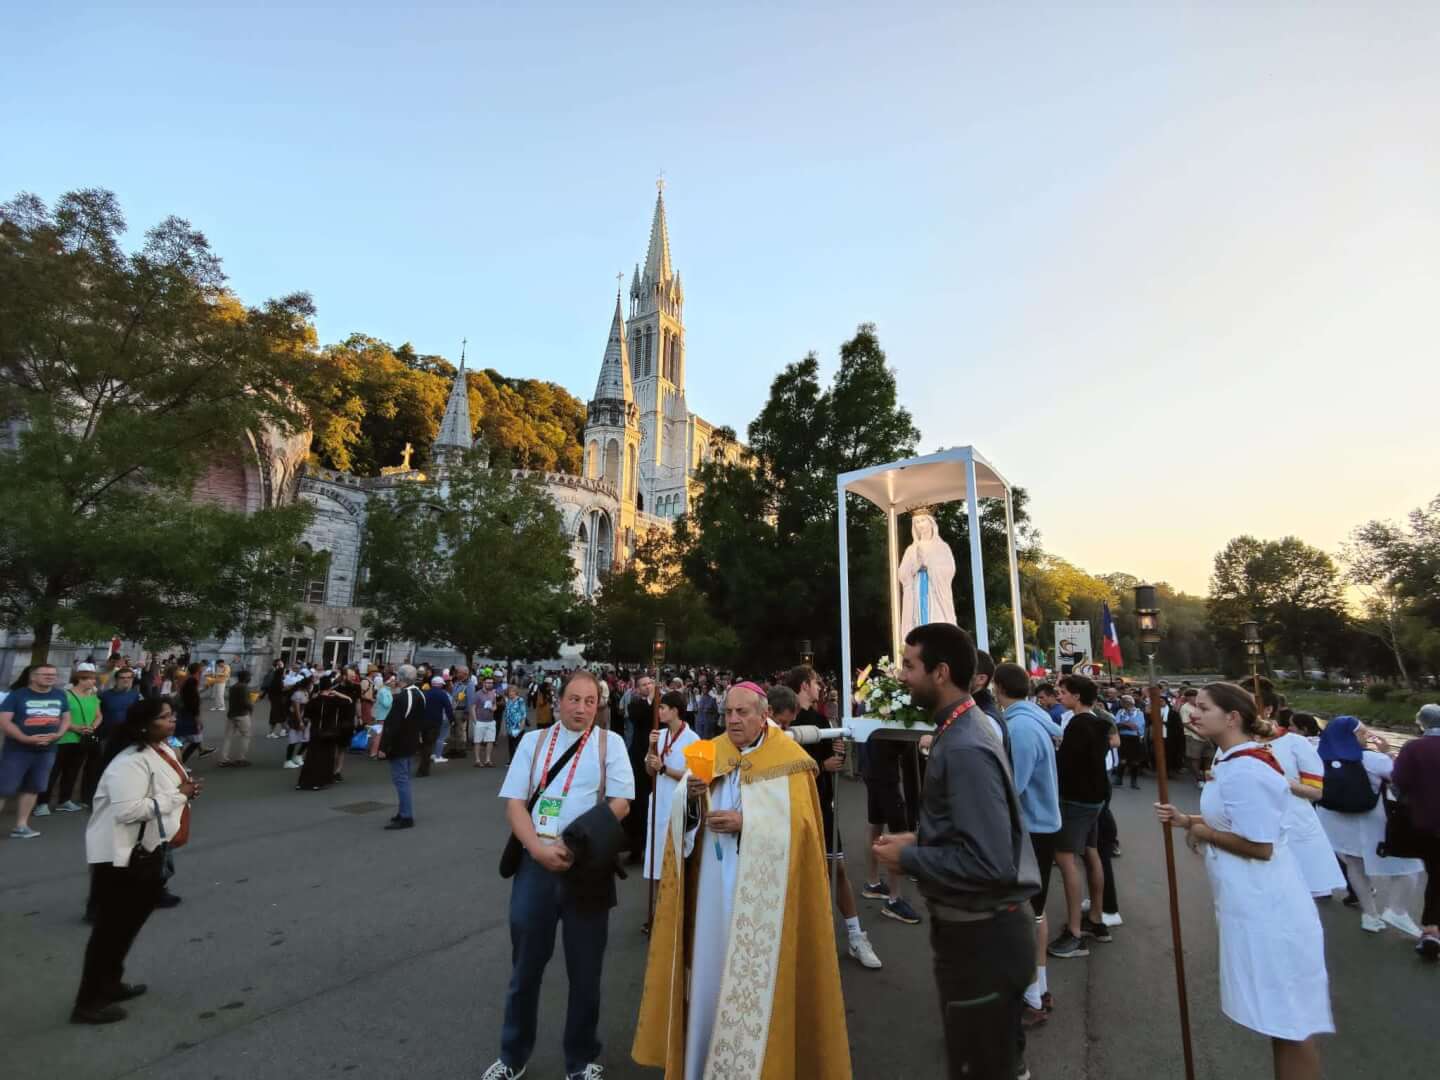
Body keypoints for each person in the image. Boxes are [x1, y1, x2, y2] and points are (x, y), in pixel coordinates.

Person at [632, 681, 851, 1080]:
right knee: (710, 974)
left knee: (759, 985)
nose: (733, 720)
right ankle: (702, 1063)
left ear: (763, 715)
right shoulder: (710, 752)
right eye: (728, 712)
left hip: (764, 900)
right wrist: (691, 798)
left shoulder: (790, 761)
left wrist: (747, 822)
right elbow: (681, 820)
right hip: (712, 890)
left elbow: (802, 829)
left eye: (742, 712)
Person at [876, 625, 1039, 1080]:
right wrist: (920, 841)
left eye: (909, 665)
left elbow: (989, 863)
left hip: (983, 943)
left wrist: (909, 859)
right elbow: (974, 833)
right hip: (974, 938)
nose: (901, 676)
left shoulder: (965, 744)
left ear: (941, 672)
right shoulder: (959, 728)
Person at [1155, 682, 1332, 1080]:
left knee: (1290, 1025)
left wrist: (1202, 832)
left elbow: (1260, 845)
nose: (1192, 713)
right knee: (1280, 1023)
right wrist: (1188, 820)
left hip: (1270, 909)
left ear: (1232, 717)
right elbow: (1236, 819)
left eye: (1203, 707)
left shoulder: (1246, 769)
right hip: (1253, 903)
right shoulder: (1232, 760)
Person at [484, 671, 634, 1080]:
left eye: (590, 701)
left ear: (598, 705)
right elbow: (515, 804)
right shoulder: (533, 742)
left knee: (585, 972)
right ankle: (512, 1056)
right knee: (525, 968)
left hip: (587, 868)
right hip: (536, 866)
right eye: (574, 699)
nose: (581, 708)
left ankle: (581, 1061)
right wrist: (537, 849)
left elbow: (622, 802)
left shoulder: (610, 743)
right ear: (559, 700)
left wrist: (576, 843)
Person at [74, 696, 202, 1023]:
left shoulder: (160, 751)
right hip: (123, 854)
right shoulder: (129, 761)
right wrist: (179, 795)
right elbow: (128, 811)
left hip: (149, 847)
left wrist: (183, 791)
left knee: (128, 925)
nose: (172, 721)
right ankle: (89, 1001)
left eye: (172, 715)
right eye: (164, 717)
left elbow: (169, 788)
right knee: (111, 930)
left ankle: (110, 982)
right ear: (144, 724)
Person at [769, 680, 882, 969]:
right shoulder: (764, 735)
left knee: (837, 868)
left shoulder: (820, 720)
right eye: (814, 681)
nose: (819, 686)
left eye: (789, 722)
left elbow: (830, 758)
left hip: (820, 805)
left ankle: (856, 935)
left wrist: (836, 754)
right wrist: (822, 765)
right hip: (786, 811)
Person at [992, 661, 1062, 1028]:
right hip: (1041, 825)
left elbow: (1013, 786)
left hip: (1033, 828)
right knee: (1036, 912)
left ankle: (1031, 998)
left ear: (998, 688)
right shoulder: (1032, 719)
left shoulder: (1019, 727)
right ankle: (1039, 987)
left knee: (1026, 915)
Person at [1314, 716, 1425, 935]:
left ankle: (1370, 916)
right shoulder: (1373, 759)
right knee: (1409, 867)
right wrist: (1387, 753)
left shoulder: (1318, 757)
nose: (1366, 736)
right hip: (1373, 820)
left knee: (1355, 864)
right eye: (1361, 732)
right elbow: (1402, 779)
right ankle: (1397, 910)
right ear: (1351, 736)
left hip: (1335, 820)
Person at [1048, 674, 1112, 958]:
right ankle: (1096, 919)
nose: (1059, 696)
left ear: (1076, 696)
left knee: (1065, 859)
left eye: (1063, 692)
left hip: (1077, 800)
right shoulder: (1099, 722)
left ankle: (1074, 933)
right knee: (1090, 851)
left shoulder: (1078, 724)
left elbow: (1066, 764)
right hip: (1096, 798)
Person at [642, 690, 700, 921]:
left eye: (663, 708)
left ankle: (674, 912)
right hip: (658, 803)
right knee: (656, 858)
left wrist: (665, 769)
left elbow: (694, 776)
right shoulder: (659, 735)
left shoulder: (692, 739)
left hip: (678, 804)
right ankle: (657, 914)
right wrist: (651, 747)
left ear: (675, 711)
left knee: (675, 859)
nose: (659, 711)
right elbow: (649, 771)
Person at [1392, 703, 1440, 960]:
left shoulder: (1413, 748)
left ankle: (1431, 930)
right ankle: (1433, 929)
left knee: (1434, 874)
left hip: (1424, 822)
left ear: (1422, 723)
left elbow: (1398, 784)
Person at [1, 664, 71, 838]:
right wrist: (24, 738)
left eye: (53, 674)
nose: (50, 677)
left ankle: (21, 826)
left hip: (47, 751)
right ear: (33, 677)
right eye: (45, 674)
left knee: (33, 788)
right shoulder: (17, 695)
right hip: (17, 750)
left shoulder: (60, 695)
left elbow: (66, 718)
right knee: (4, 788)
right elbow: (4, 721)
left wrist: (58, 735)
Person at [46, 663, 102, 814]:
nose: (93, 682)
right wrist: (74, 727)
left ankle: (65, 800)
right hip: (64, 738)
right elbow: (58, 716)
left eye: (93, 679)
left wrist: (92, 727)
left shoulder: (93, 697)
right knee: (54, 771)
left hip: (82, 739)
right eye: (90, 679)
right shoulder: (66, 695)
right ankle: (42, 802)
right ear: (80, 680)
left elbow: (99, 716)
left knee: (72, 771)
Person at [379, 666, 425, 829]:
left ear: (401, 677)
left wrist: (383, 746)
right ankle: (403, 812)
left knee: (401, 781)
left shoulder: (402, 698)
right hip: (411, 742)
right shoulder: (419, 694)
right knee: (404, 779)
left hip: (399, 744)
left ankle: (406, 816)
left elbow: (392, 725)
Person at [622, 674, 656, 865]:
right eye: (643, 685)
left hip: (658, 755)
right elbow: (639, 718)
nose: (648, 687)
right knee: (639, 803)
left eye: (650, 683)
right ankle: (636, 848)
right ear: (637, 688)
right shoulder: (635, 704)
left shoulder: (661, 704)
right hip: (639, 756)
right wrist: (650, 700)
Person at [296, 677, 353, 792]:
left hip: (315, 730)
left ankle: (304, 782)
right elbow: (349, 700)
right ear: (330, 687)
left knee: (311, 756)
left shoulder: (314, 700)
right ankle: (320, 781)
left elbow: (306, 716)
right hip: (329, 731)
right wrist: (336, 693)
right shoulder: (333, 700)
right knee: (325, 757)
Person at [419, 676, 454, 776]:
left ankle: (425, 764)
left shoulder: (425, 693)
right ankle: (424, 769)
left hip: (424, 721)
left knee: (426, 744)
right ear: (441, 685)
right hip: (435, 722)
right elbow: (448, 708)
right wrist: (452, 720)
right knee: (430, 744)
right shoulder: (442, 694)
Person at [1113, 695, 1146, 789]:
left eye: (1124, 702)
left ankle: (1134, 781)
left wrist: (1124, 724)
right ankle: (1118, 780)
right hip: (1123, 737)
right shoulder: (1120, 712)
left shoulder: (1139, 713)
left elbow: (1137, 726)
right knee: (1122, 760)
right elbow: (1116, 724)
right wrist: (1127, 724)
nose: (1122, 704)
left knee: (1135, 761)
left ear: (1130, 703)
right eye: (1122, 702)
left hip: (1134, 738)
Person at [284, 677, 311, 769]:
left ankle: (298, 756)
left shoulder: (306, 693)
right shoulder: (297, 694)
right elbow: (297, 709)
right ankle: (288, 760)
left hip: (305, 719)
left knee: (307, 739)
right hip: (295, 719)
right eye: (310, 684)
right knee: (293, 740)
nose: (311, 686)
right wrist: (300, 722)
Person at [474, 675, 499, 768]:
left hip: (491, 721)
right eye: (488, 683)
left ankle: (488, 760)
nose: (490, 684)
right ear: (483, 683)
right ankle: (477, 760)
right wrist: (475, 720)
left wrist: (493, 708)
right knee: (478, 741)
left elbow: (495, 704)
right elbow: (472, 707)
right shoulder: (477, 694)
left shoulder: (493, 693)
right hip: (480, 721)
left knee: (490, 741)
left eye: (491, 683)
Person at [502, 684, 527, 761]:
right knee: (511, 745)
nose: (511, 693)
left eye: (512, 691)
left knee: (518, 745)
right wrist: (505, 728)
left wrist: (521, 727)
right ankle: (511, 760)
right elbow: (506, 714)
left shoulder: (520, 700)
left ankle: (519, 761)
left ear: (516, 692)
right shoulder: (508, 701)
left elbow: (523, 714)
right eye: (509, 691)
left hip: (518, 726)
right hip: (509, 726)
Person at [263, 660, 288, 739]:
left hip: (276, 698)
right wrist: (292, 686)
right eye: (280, 664)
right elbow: (280, 689)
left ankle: (284, 730)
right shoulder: (276, 678)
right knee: (275, 715)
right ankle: (271, 732)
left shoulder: (276, 677)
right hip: (276, 699)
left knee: (281, 714)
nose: (285, 674)